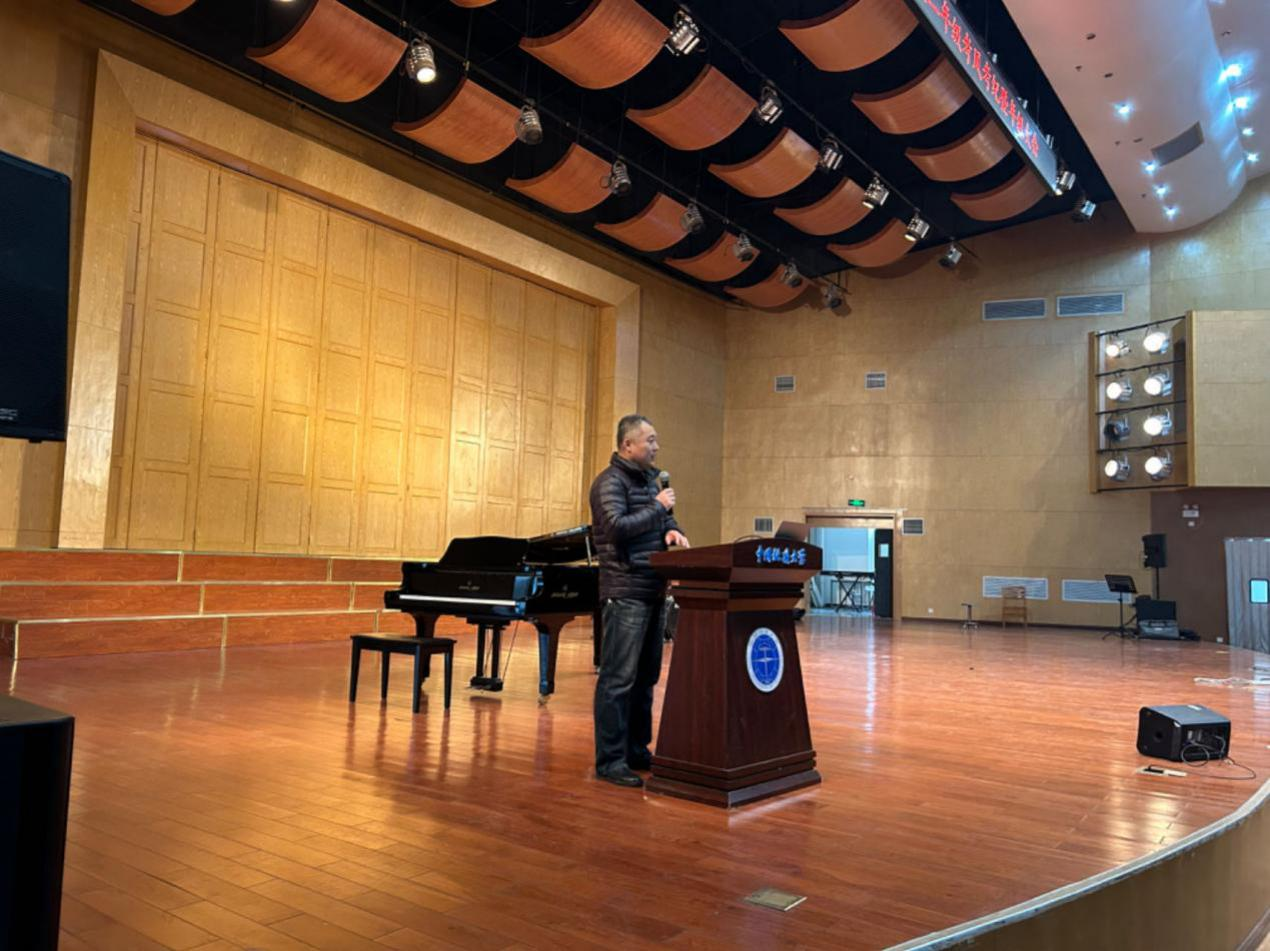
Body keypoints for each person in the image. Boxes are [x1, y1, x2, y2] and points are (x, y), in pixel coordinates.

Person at [589, 414, 689, 788]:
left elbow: (664, 522)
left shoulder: (650, 480)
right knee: (618, 680)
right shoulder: (608, 483)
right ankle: (610, 760)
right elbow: (616, 529)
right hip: (625, 590)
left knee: (646, 678)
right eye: (650, 440)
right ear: (627, 445)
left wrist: (673, 531)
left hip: (652, 588)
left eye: (656, 440)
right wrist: (658, 508)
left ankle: (636, 750)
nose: (656, 447)